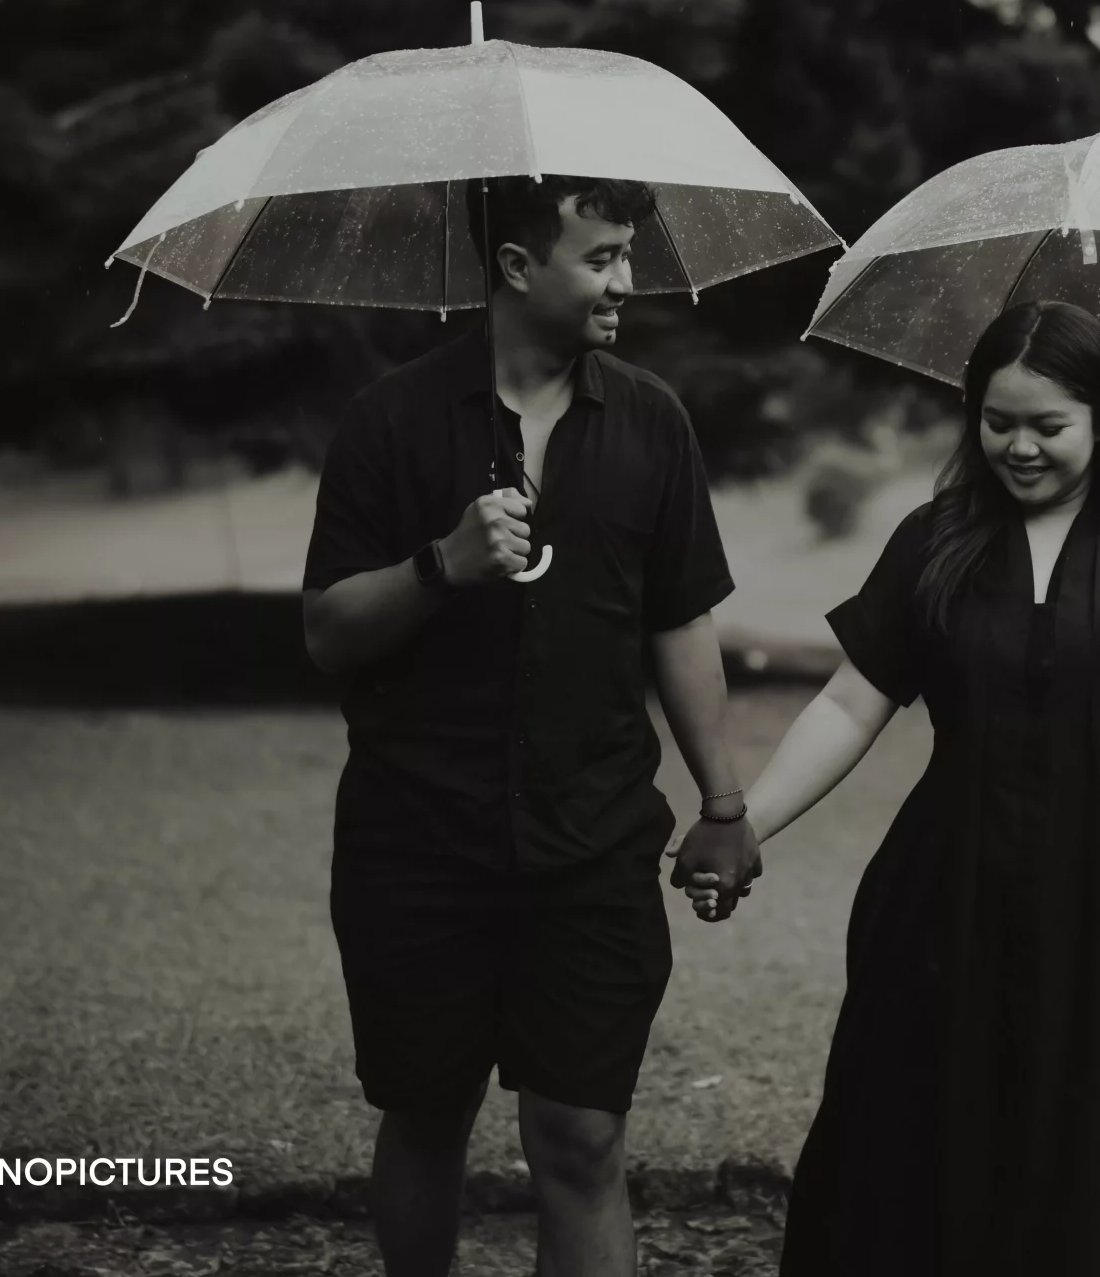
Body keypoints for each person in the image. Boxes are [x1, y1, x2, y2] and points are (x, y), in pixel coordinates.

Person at [684, 298, 1100, 1277]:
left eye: (1048, 426)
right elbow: (851, 703)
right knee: (921, 1148)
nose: (1019, 447)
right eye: (997, 421)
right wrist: (744, 824)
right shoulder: (934, 538)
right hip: (941, 893)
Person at [302, 175, 761, 1277]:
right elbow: (327, 631)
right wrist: (442, 563)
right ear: (515, 267)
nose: (627, 281)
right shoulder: (390, 421)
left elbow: (680, 620)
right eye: (601, 258)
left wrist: (725, 804)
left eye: (627, 255)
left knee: (583, 1136)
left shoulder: (651, 420)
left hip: (593, 843)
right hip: (416, 842)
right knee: (426, 1116)